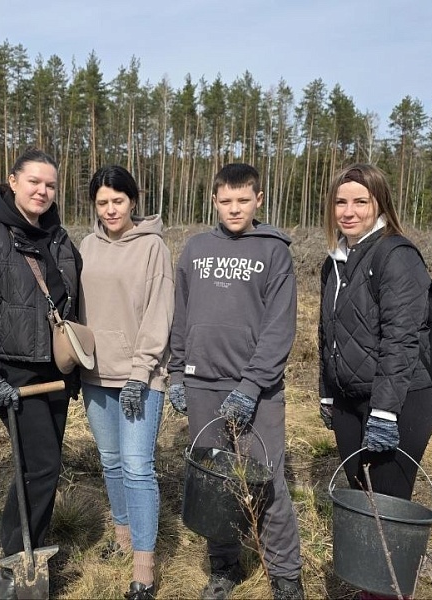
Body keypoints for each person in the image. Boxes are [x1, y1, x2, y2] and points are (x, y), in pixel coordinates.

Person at [168, 163, 304, 600]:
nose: (234, 208)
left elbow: (279, 329)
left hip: (256, 392)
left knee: (268, 482)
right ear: (214, 200)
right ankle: (224, 566)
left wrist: (249, 387)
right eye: (225, 200)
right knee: (215, 483)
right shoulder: (194, 249)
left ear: (258, 200)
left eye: (243, 200)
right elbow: (181, 316)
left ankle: (286, 576)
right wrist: (175, 371)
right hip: (201, 385)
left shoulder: (273, 251)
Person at [0, 148, 81, 599]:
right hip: (15, 373)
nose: (43, 192)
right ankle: (18, 562)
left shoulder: (61, 239)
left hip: (57, 373)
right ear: (12, 181)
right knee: (42, 465)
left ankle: (33, 549)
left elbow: (71, 304)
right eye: (34, 183)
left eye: (50, 185)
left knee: (39, 467)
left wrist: (77, 367)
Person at [318, 164, 432, 595]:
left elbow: (401, 339)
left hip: (398, 404)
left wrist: (384, 411)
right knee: (364, 508)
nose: (348, 212)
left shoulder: (395, 254)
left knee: (388, 516)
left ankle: (386, 591)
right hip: (350, 403)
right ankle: (371, 589)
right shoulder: (335, 262)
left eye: (360, 202)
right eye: (340, 201)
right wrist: (327, 394)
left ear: (379, 204)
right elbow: (327, 333)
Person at [78, 166, 174, 600]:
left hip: (141, 376)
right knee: (111, 460)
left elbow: (159, 314)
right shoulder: (86, 245)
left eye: (118, 200)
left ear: (133, 200)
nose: (110, 209)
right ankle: (120, 538)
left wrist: (141, 373)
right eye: (102, 202)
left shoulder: (154, 248)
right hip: (95, 376)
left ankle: (144, 566)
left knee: (137, 468)